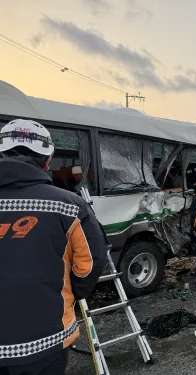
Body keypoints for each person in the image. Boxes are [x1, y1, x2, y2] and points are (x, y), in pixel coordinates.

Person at [0, 119, 108, 375]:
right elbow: (89, 265)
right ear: (48, 161)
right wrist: (70, 294)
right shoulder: (68, 206)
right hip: (45, 342)